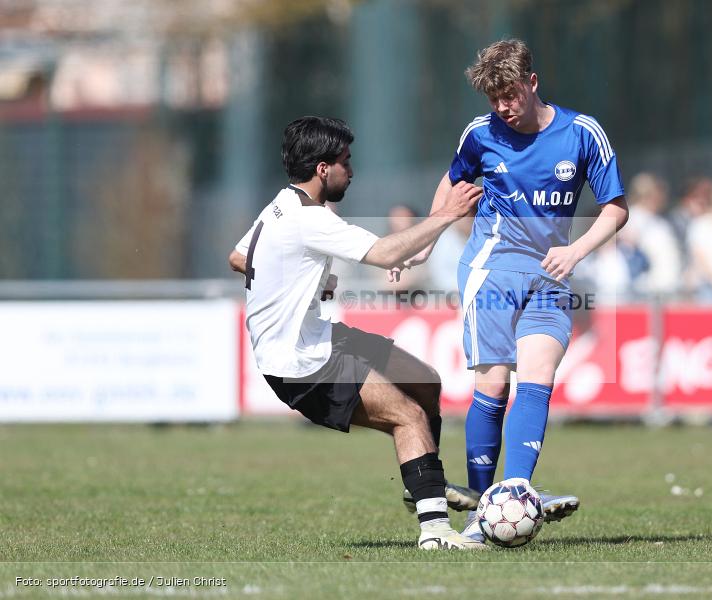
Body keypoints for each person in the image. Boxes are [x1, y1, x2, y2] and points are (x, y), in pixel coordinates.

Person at [401, 39, 628, 542]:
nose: (502, 106)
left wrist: (576, 251)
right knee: (493, 384)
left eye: (510, 94)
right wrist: (425, 240)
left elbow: (615, 207)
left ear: (532, 82)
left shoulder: (583, 133)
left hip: (552, 271)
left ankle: (517, 490)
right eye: (493, 98)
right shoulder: (481, 134)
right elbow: (452, 183)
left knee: (539, 374)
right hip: (492, 267)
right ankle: (481, 514)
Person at [228, 116, 485, 550]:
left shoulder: (280, 205)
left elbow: (238, 257)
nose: (352, 169)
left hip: (317, 337)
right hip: (301, 362)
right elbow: (385, 254)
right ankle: (436, 531)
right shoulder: (310, 219)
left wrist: (303, 280)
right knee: (409, 415)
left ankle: (418, 481)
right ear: (323, 169)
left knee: (425, 381)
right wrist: (445, 214)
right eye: (346, 161)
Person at [625, 173, 681, 295]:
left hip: (667, 286)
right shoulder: (632, 217)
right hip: (645, 289)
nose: (662, 198)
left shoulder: (660, 221)